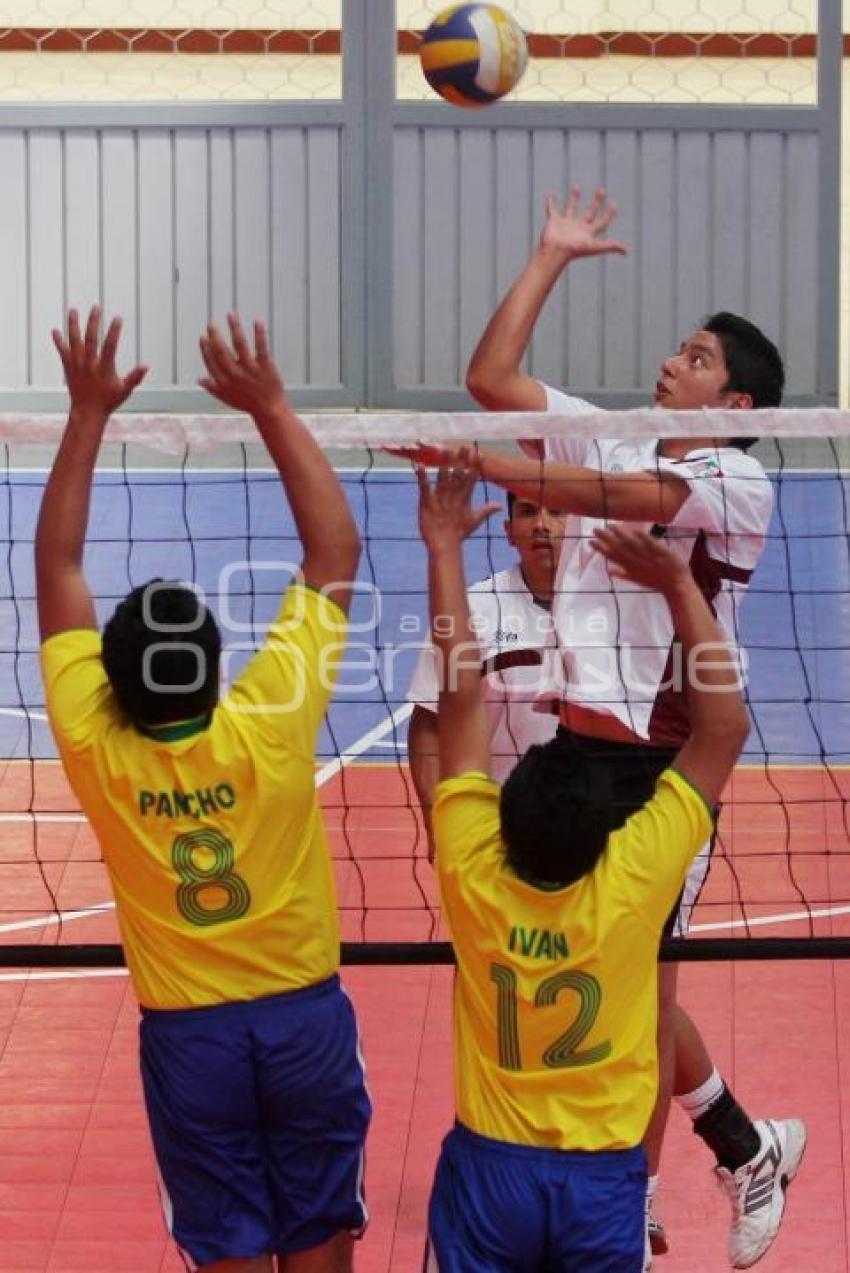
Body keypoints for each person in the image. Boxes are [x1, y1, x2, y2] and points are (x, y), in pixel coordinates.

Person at [457, 187, 806, 1269]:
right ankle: (748, 1148)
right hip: (574, 752)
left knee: (639, 994)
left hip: (666, 769)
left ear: (734, 396)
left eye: (695, 357)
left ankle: (639, 1207)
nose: (671, 361)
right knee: (591, 971)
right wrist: (549, 254)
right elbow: (491, 379)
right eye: (678, 348)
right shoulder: (622, 440)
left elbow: (621, 496)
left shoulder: (736, 476)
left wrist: (497, 468)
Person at [37, 307, 369, 1273]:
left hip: (190, 1039)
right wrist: (269, 404)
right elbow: (334, 553)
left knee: (224, 1242)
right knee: (318, 1234)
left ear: (112, 679)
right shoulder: (269, 718)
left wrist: (87, 413)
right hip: (302, 1017)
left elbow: (56, 563)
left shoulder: (97, 743)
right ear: (220, 668)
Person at [418, 452, 752, 1273]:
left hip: (490, 1169)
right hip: (602, 1178)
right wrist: (682, 587)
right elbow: (723, 731)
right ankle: (740, 1144)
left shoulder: (470, 874)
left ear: (504, 820)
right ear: (607, 829)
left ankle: (744, 1141)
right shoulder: (634, 883)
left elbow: (456, 707)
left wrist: (438, 549)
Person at [407, 492, 566, 859]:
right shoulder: (472, 609)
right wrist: (436, 820)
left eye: (557, 511)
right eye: (527, 512)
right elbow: (428, 721)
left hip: (592, 825)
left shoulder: (618, 605)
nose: (542, 524)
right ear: (509, 531)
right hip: (492, 828)